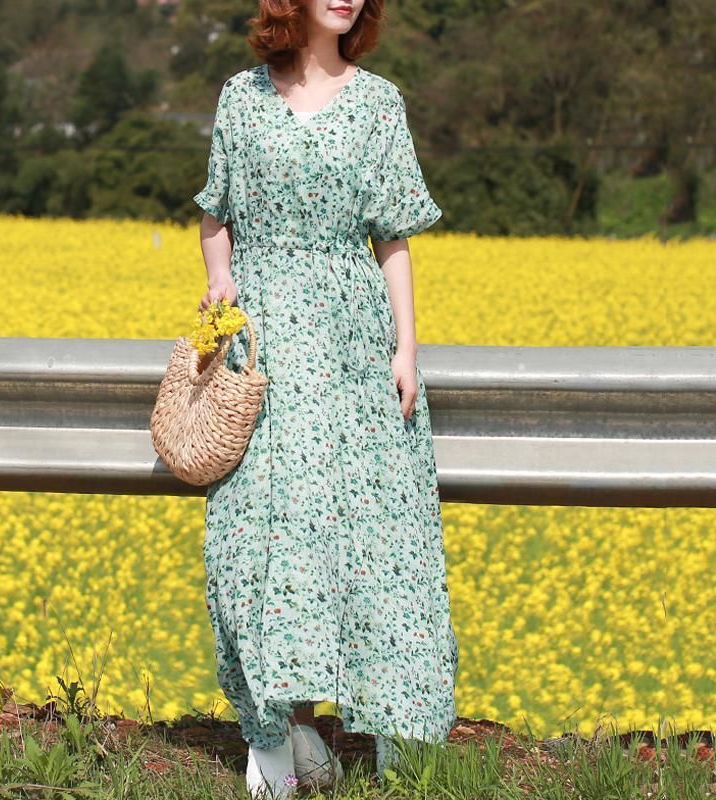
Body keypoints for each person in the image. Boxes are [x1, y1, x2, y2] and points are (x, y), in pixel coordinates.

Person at [193, 1, 460, 797]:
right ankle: (277, 729)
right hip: (267, 344)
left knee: (377, 530)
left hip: (353, 339)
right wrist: (220, 282)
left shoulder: (379, 101)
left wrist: (406, 348)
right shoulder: (241, 96)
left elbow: (394, 235)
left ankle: (395, 730)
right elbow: (216, 213)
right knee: (262, 532)